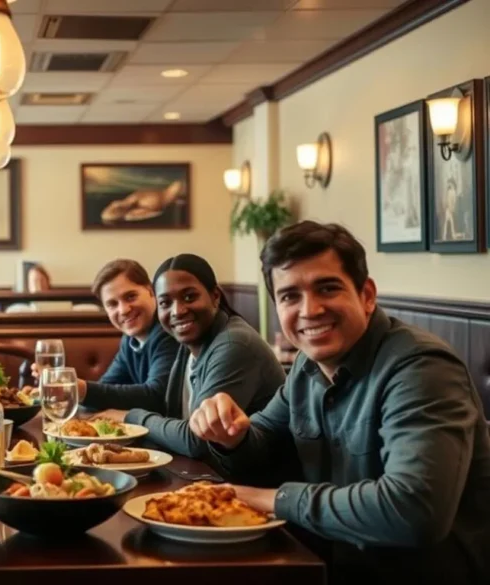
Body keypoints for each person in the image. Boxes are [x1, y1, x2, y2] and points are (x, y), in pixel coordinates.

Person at [190, 221, 490, 583]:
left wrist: (270, 499)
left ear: (366, 295)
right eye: (289, 296)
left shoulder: (421, 368)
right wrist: (230, 434)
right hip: (329, 565)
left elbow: (414, 510)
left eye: (327, 288)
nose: (310, 310)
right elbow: (264, 438)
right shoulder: (306, 365)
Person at [117, 254, 283, 459]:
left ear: (215, 297)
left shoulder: (234, 344)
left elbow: (198, 438)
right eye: (165, 303)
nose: (177, 311)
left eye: (189, 297)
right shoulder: (188, 342)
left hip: (256, 483)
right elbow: (171, 413)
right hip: (206, 473)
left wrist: (132, 418)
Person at [34, 260, 179, 413]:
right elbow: (104, 391)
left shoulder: (168, 332)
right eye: (112, 304)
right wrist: (66, 387)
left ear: (151, 291)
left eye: (130, 297)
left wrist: (80, 389)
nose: (123, 310)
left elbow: (155, 396)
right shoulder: (129, 340)